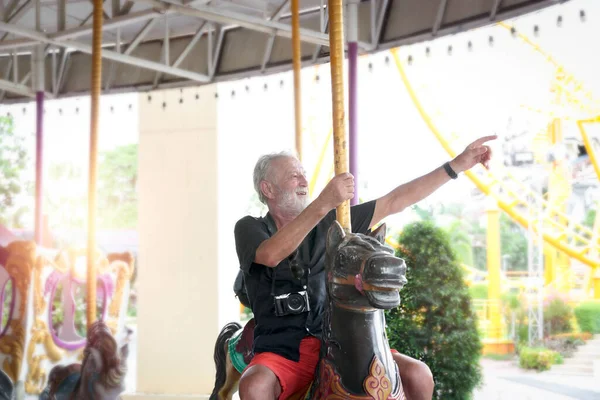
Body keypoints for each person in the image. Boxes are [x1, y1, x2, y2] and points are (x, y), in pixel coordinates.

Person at [235, 135, 496, 400]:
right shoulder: (250, 228)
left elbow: (395, 200)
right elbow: (271, 254)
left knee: (419, 375)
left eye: (304, 175)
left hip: (340, 344)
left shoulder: (333, 223)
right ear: (267, 189)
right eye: (294, 176)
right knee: (254, 386)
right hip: (284, 351)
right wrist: (325, 202)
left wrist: (456, 166)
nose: (304, 181)